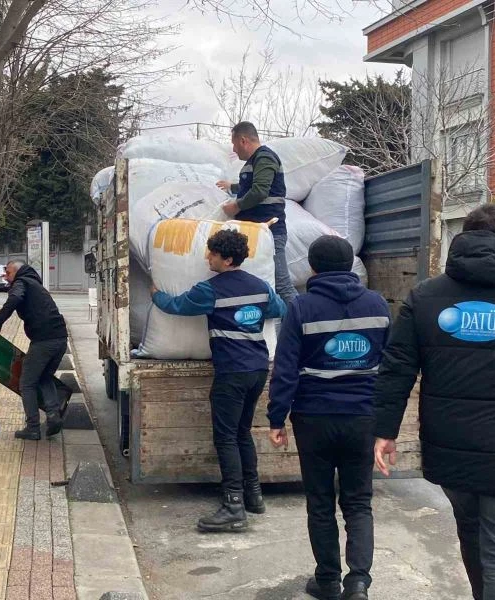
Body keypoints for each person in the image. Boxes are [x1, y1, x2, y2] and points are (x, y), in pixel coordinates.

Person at [374, 204, 495, 600]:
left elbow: (396, 368)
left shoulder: (426, 296)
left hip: (450, 446)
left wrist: (384, 431)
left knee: (472, 534)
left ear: (462, 239)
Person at [268, 235, 390, 600]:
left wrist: (277, 417)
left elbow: (286, 368)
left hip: (313, 418)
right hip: (363, 416)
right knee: (358, 501)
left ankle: (327, 581)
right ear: (351, 265)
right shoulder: (377, 303)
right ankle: (358, 583)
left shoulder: (301, 307)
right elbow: (391, 365)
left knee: (320, 500)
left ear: (313, 267)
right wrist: (387, 421)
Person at [150, 228, 286, 532]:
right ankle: (253, 496)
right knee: (242, 432)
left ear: (227, 260)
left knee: (226, 437)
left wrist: (156, 294)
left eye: (212, 253)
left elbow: (177, 306)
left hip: (232, 372)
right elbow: (280, 309)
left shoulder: (209, 290)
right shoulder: (261, 287)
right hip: (258, 369)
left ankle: (233, 506)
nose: (207, 257)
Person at [216, 121, 297, 306]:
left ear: (243, 140)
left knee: (282, 285)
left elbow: (260, 190)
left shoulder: (265, 157)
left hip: (270, 231)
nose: (234, 149)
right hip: (256, 231)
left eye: (234, 144)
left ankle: (302, 320)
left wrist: (237, 206)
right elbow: (250, 185)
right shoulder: (254, 162)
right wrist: (232, 187)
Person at [0, 260, 68, 440]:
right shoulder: (34, 284)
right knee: (44, 377)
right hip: (60, 339)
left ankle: (33, 428)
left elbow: (15, 299)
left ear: (17, 272)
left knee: (27, 383)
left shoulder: (21, 282)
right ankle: (53, 415)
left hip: (44, 340)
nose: (5, 277)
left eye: (8, 273)